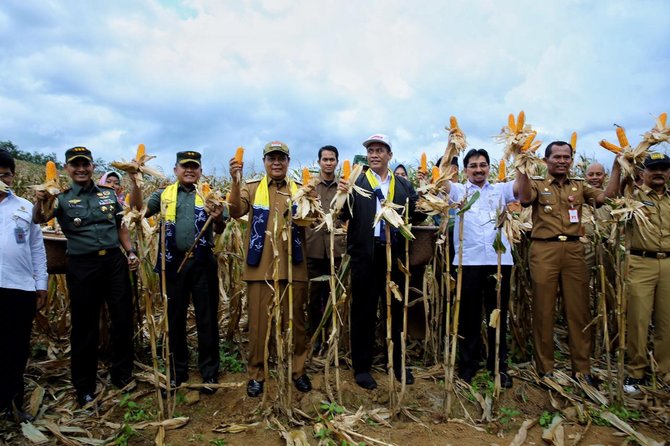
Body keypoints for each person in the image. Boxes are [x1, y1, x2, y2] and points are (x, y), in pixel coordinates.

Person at [33, 146, 138, 407]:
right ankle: (84, 385)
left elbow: (120, 226)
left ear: (92, 167)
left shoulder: (108, 194)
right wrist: (41, 199)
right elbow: (39, 218)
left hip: (114, 261)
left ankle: (122, 374)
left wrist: (131, 252)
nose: (81, 169)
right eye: (75, 165)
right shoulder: (61, 198)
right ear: (67, 168)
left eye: (85, 164)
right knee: (84, 325)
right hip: (82, 265)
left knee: (123, 318)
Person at [517, 141, 620, 383]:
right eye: (557, 157)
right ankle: (545, 368)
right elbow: (523, 199)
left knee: (579, 310)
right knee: (543, 309)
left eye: (567, 157)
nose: (562, 161)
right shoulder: (538, 185)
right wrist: (521, 166)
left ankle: (582, 370)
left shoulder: (580, 187)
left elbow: (607, 197)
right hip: (544, 249)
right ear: (546, 160)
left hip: (574, 249)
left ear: (572, 160)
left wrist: (617, 167)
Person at [128, 151, 224, 395]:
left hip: (203, 263)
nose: (189, 171)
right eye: (185, 167)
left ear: (200, 171)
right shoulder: (163, 195)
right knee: (175, 318)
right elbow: (137, 211)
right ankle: (177, 371)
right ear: (175, 170)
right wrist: (135, 182)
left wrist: (217, 216)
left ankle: (209, 372)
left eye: (194, 167)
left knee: (207, 318)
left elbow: (221, 227)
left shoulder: (209, 195)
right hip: (173, 264)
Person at [339, 133, 424, 390]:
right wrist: (343, 195)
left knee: (397, 309)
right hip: (366, 254)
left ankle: (398, 363)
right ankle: (362, 367)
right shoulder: (356, 182)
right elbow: (342, 215)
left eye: (379, 150)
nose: (374, 154)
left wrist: (430, 200)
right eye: (371, 150)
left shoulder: (403, 186)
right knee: (364, 310)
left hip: (395, 253)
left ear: (389, 155)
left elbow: (415, 216)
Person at [431, 148, 521, 388]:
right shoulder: (459, 191)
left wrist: (522, 156)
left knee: (498, 315)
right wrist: (450, 147)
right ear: (465, 169)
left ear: (489, 167)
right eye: (473, 165)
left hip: (499, 260)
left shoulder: (501, 191)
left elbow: (521, 187)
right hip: (468, 262)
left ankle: (498, 367)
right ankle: (468, 365)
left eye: (482, 165)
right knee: (468, 317)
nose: (478, 169)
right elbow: (442, 184)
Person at [228, 141, 312, 397]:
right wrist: (234, 181)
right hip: (260, 269)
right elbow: (234, 211)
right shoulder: (252, 188)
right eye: (271, 158)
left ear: (288, 162)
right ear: (265, 162)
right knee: (259, 325)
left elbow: (312, 220)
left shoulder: (301, 190)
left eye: (281, 158)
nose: (276, 162)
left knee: (296, 324)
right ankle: (257, 373)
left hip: (293, 267)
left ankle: (298, 370)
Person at [0, 150, 48, 422]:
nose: (1, 179)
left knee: (16, 348)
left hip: (19, 288)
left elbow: (37, 248)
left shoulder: (24, 208)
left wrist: (41, 284)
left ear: (13, 176)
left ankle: (13, 403)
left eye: (5, 174)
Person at [621, 153, 670, 393]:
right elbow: (619, 189)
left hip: (668, 264)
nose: (659, 172)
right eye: (654, 168)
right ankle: (635, 372)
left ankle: (665, 372)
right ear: (643, 173)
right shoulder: (633, 196)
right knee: (639, 320)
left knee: (667, 322)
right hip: (641, 263)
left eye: (664, 168)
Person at [305, 145, 346, 349]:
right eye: (325, 159)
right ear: (319, 162)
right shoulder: (310, 186)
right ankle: (315, 337)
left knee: (335, 296)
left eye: (332, 159)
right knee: (314, 297)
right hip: (313, 250)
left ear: (337, 162)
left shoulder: (344, 187)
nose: (328, 163)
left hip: (337, 250)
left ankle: (333, 336)